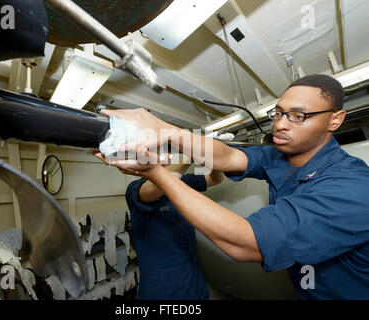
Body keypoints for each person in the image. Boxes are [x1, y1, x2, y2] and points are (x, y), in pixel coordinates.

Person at [93, 74, 369, 299]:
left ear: (335, 119)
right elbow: (227, 157)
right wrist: (167, 131)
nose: (280, 125)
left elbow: (245, 243)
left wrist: (156, 172)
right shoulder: (280, 156)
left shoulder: (353, 188)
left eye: (297, 116)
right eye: (278, 113)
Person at [126, 155, 224, 300]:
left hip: (195, 283)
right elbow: (157, 185)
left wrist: (213, 158)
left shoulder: (183, 182)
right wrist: (192, 153)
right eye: (155, 156)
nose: (163, 159)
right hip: (163, 289)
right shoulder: (136, 189)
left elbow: (216, 179)